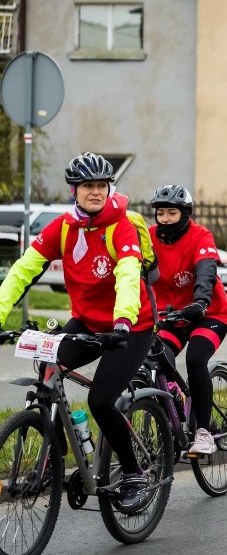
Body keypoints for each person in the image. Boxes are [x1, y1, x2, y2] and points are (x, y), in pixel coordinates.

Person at [0, 152, 156, 512]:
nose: (96, 192)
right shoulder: (64, 227)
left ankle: (133, 473)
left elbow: (129, 277)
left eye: (102, 185)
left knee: (101, 400)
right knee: (47, 366)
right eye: (88, 185)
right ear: (75, 190)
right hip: (86, 322)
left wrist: (122, 322)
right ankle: (57, 452)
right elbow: (25, 269)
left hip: (131, 326)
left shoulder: (122, 227)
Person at [149, 184, 227, 455]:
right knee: (156, 359)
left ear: (185, 213)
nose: (165, 219)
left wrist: (201, 301)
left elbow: (206, 270)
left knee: (195, 360)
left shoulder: (200, 236)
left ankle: (204, 431)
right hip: (170, 315)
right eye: (161, 213)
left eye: (171, 213)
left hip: (208, 313)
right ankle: (171, 415)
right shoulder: (149, 238)